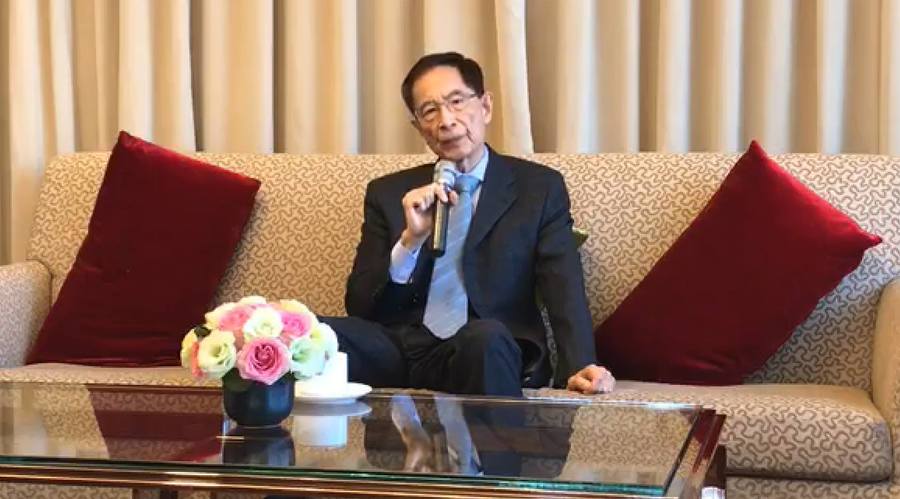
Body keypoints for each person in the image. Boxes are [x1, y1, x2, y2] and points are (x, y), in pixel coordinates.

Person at [322, 52, 613, 397]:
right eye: (430, 111)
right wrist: (411, 241)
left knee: (485, 338)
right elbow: (359, 305)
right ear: (419, 127)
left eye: (457, 101)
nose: (446, 121)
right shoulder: (387, 193)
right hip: (399, 347)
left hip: (482, 347)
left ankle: (498, 436)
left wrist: (579, 365)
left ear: (486, 106)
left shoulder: (538, 188)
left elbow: (562, 283)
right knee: (303, 334)